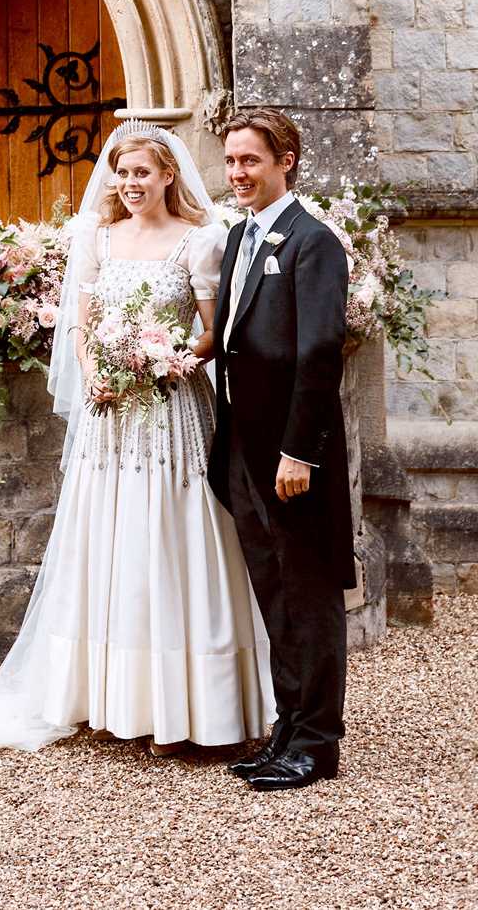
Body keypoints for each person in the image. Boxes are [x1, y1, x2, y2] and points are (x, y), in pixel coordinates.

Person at [0, 123, 271, 756]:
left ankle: (189, 706)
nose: (131, 184)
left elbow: (213, 332)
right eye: (122, 173)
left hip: (170, 412)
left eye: (142, 173)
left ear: (169, 175)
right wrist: (98, 373)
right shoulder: (97, 237)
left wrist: (169, 361)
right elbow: (82, 326)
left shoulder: (200, 242)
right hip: (109, 417)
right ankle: (105, 697)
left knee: (173, 541)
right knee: (109, 540)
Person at [209, 110, 354, 792]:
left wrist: (300, 451)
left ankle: (318, 744)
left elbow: (321, 352)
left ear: (286, 160)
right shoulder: (240, 236)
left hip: (295, 458)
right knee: (273, 594)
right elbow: (233, 337)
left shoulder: (313, 242)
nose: (238, 173)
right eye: (232, 161)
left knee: (309, 593)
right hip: (243, 446)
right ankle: (286, 730)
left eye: (250, 161)